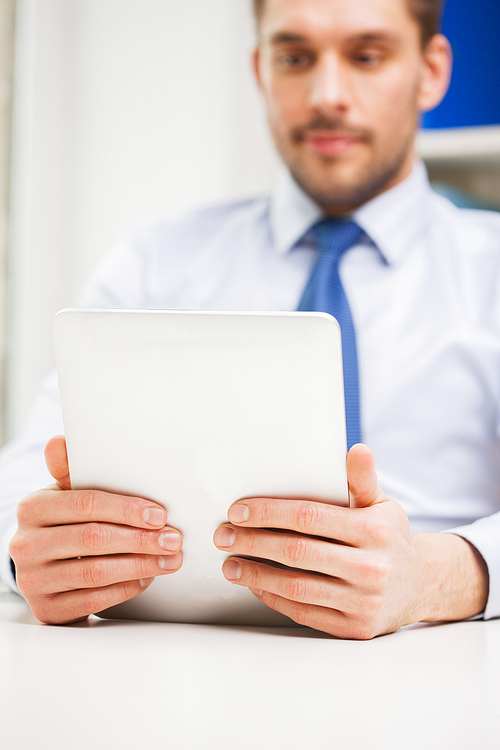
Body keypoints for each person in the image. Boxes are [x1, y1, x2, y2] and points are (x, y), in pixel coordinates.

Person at [1, 0, 499, 639]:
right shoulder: (158, 260)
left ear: (431, 71)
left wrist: (436, 577)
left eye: (366, 56)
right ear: (261, 69)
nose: (327, 95)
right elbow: (25, 469)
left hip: (441, 671)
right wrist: (35, 553)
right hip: (171, 675)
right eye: (294, 57)